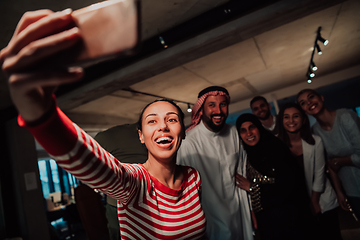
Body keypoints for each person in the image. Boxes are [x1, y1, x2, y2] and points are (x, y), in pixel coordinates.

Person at [1, 10, 207, 239]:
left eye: (172, 119)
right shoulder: (134, 183)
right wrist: (41, 113)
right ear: (141, 136)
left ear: (182, 132)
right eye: (152, 121)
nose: (163, 126)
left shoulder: (192, 177)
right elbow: (96, 164)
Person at [177, 86, 253, 240]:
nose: (218, 111)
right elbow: (182, 190)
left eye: (223, 104)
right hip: (209, 219)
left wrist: (251, 209)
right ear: (201, 110)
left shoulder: (234, 133)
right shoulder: (188, 142)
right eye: (211, 105)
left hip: (238, 214)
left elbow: (243, 171)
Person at [235, 113, 312, 240]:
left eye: (251, 127)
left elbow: (290, 185)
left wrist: (252, 188)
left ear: (259, 128)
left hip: (291, 216)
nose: (248, 133)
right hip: (267, 221)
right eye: (243, 130)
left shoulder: (276, 148)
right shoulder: (245, 157)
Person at [277, 102, 342, 240]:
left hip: (321, 199)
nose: (291, 121)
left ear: (304, 119)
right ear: (281, 121)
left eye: (296, 116)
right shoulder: (276, 145)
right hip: (297, 205)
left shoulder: (315, 141)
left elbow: (320, 174)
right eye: (286, 117)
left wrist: (314, 202)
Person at [297, 88, 360, 218]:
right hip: (352, 191)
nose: (309, 103)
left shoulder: (345, 117)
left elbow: (334, 162)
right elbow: (329, 165)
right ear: (303, 110)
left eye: (311, 97)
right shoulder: (315, 132)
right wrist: (339, 192)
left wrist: (340, 161)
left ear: (321, 98)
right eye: (303, 103)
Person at [94, 123, 148, 240]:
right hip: (149, 199)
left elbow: (94, 172)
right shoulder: (148, 133)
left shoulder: (104, 137)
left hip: (118, 202)